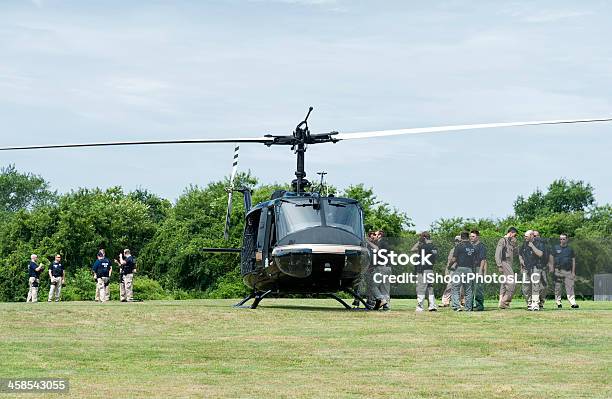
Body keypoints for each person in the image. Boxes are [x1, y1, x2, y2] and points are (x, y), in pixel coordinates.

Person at [410, 231, 438, 312]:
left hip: (423, 270)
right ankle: (432, 306)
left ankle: (420, 307)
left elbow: (412, 250)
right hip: (430, 269)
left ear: (424, 237)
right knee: (430, 288)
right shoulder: (434, 247)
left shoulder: (423, 246)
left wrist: (419, 241)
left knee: (421, 288)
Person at [450, 231, 476, 311]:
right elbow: (475, 260)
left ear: (461, 237)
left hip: (459, 269)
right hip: (469, 269)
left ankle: (456, 306)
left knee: (455, 288)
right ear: (468, 237)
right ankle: (468, 308)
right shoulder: (472, 247)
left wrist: (449, 265)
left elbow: (454, 259)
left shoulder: (459, 246)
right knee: (468, 289)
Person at [519, 230, 544, 311]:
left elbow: (540, 254)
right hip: (526, 268)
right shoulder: (524, 244)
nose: (524, 237)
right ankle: (529, 303)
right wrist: (521, 262)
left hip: (536, 267)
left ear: (531, 236)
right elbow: (520, 254)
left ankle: (535, 304)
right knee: (525, 287)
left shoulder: (539, 244)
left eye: (526, 236)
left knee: (535, 285)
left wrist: (532, 246)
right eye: (524, 236)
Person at [553, 234, 579, 309]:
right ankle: (558, 302)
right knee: (558, 288)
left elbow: (573, 261)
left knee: (570, 287)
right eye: (560, 239)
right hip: (558, 271)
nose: (562, 240)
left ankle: (573, 303)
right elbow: (552, 259)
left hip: (568, 271)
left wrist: (573, 272)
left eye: (563, 239)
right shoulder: (555, 248)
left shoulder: (570, 249)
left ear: (567, 239)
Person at [495, 227, 518, 309]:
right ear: (511, 232)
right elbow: (498, 253)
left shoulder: (511, 242)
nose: (515, 237)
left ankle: (501, 302)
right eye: (514, 235)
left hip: (509, 264)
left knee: (504, 284)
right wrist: (499, 265)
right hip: (504, 263)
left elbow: (515, 254)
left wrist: (514, 245)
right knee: (512, 283)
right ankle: (505, 302)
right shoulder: (503, 240)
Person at [533, 230, 551, 309]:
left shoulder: (544, 245)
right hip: (535, 267)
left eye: (537, 236)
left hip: (543, 267)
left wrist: (549, 264)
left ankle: (541, 302)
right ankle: (535, 304)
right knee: (535, 286)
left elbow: (548, 255)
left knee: (544, 286)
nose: (535, 237)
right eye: (534, 236)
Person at [441, 235, 461, 307]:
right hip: (452, 270)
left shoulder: (463, 249)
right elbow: (449, 261)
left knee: (461, 287)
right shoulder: (452, 250)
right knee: (449, 286)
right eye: (456, 240)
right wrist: (446, 271)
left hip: (460, 270)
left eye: (459, 240)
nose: (457, 242)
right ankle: (445, 301)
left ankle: (460, 301)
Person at [470, 230, 487, 311]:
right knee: (469, 287)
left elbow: (483, 260)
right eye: (470, 236)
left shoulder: (481, 246)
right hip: (470, 268)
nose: (471, 238)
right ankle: (469, 305)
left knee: (478, 288)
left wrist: (480, 271)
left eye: (473, 236)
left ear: (477, 237)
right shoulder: (469, 246)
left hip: (477, 268)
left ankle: (479, 305)